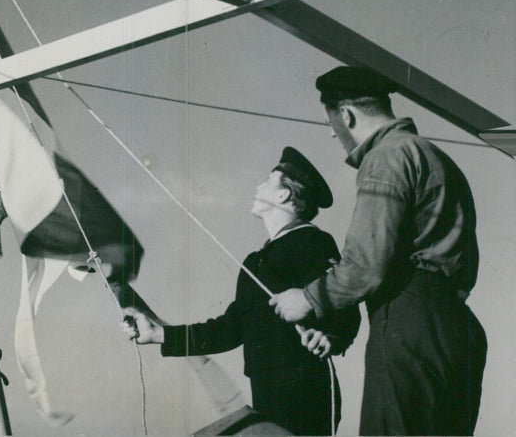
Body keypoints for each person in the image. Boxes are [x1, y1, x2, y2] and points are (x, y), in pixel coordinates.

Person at [270, 66, 487, 436]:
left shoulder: (386, 156)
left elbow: (366, 267)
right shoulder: (434, 156)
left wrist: (307, 299)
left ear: (347, 114)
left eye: (332, 121)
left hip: (409, 324)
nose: (333, 133)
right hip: (457, 330)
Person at [123, 147, 360, 436]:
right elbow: (230, 328)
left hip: (305, 391)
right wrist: (159, 334)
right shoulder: (254, 261)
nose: (257, 187)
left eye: (267, 181)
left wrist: (332, 337)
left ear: (284, 195)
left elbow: (344, 300)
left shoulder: (311, 240)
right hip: (266, 392)